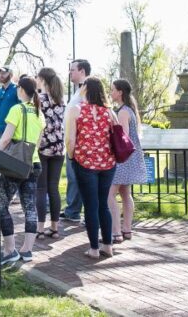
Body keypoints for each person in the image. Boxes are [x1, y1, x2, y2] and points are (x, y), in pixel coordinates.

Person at [65, 76, 117, 259]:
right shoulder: (109, 112)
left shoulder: (76, 110)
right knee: (103, 205)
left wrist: (71, 156)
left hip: (85, 162)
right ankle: (108, 246)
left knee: (90, 205)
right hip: (107, 163)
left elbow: (70, 139)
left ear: (85, 88)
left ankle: (94, 248)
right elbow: (117, 136)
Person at [0, 75, 43, 265]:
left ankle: (9, 250)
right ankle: (27, 250)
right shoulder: (39, 112)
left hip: (15, 164)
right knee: (30, 207)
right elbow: (38, 143)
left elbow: (6, 138)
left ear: (21, 90)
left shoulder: (17, 109)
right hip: (34, 164)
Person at [108, 79, 147, 242]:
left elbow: (122, 137)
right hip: (130, 157)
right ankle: (127, 229)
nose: (110, 92)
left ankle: (116, 231)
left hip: (122, 158)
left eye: (112, 90)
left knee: (110, 195)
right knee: (125, 193)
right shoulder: (129, 110)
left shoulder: (123, 112)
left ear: (120, 92)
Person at [35, 67, 65, 240]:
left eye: (38, 78)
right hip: (59, 148)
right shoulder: (61, 100)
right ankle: (54, 228)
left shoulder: (39, 99)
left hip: (43, 147)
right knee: (54, 188)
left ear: (43, 80)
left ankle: (40, 228)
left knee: (41, 188)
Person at [61, 58, 91, 223]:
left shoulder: (87, 89)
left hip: (80, 141)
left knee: (81, 178)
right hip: (73, 139)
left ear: (82, 71)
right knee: (73, 177)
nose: (70, 73)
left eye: (72, 70)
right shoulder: (78, 89)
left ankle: (83, 213)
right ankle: (72, 210)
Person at [0, 66, 19, 147]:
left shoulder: (17, 89)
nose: (1, 75)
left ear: (11, 75)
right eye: (0, 73)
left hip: (11, 132)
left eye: (4, 73)